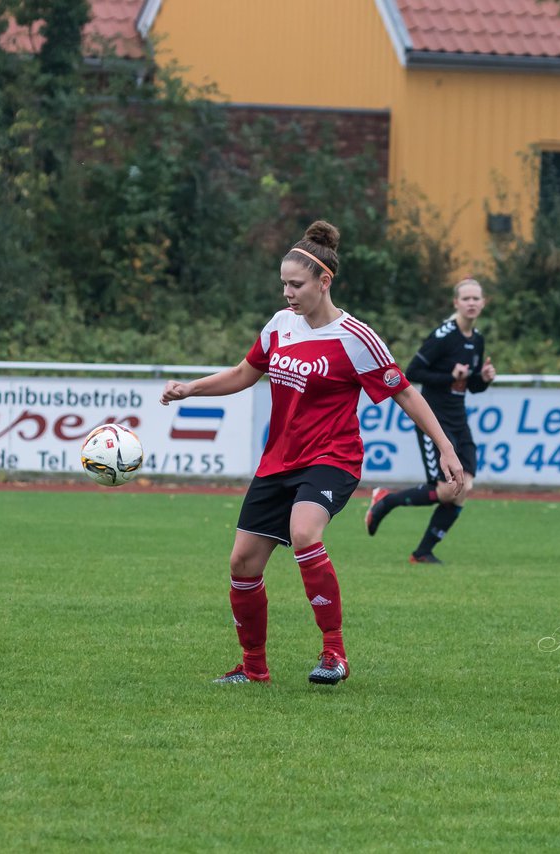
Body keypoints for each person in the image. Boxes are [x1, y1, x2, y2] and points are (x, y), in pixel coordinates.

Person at [160, 220, 466, 685]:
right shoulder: (280, 326)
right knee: (242, 562)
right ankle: (254, 668)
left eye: (296, 284)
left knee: (304, 532)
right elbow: (245, 373)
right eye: (283, 283)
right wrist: (190, 389)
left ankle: (334, 654)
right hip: (278, 460)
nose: (287, 293)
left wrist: (446, 448)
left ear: (325, 282)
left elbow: (405, 393)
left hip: (332, 458)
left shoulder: (356, 338)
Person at [364, 278, 496, 563]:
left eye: (476, 298)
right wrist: (452, 375)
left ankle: (422, 552)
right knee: (449, 489)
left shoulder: (477, 339)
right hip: (434, 420)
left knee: (464, 487)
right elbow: (413, 372)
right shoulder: (444, 336)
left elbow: (469, 386)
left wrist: (481, 380)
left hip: (459, 419)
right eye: (466, 298)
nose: (472, 303)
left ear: (483, 303)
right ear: (456, 303)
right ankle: (386, 500)